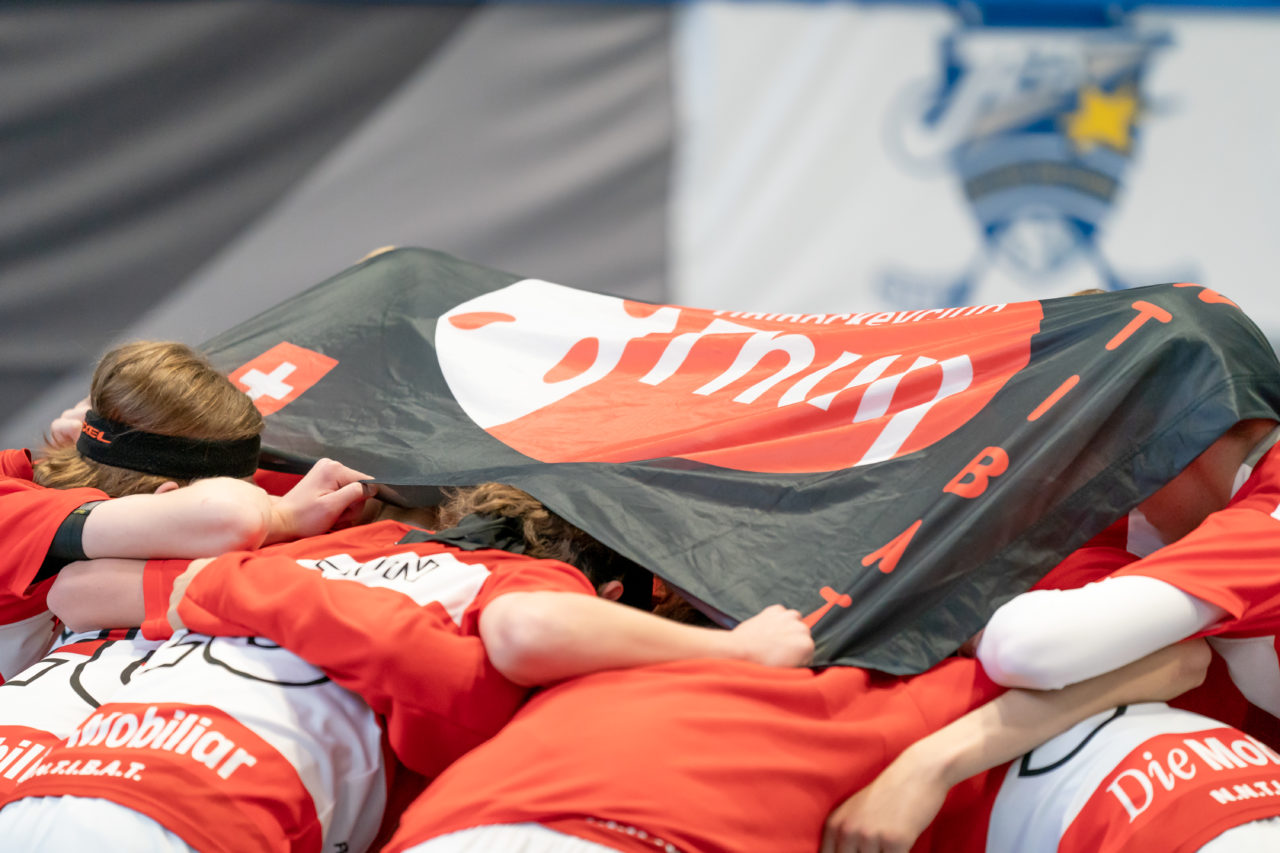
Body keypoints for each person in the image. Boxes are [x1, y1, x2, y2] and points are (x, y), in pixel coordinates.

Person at [0, 483, 813, 852]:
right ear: (610, 592)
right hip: (198, 798)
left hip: (50, 760)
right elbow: (528, 630)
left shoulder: (324, 545)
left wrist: (261, 583)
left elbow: (81, 589)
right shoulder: (519, 582)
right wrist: (736, 649)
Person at [0, 339, 369, 681]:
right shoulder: (13, 509)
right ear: (166, 499)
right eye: (250, 489)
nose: (259, 497)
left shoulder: (74, 479)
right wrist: (284, 518)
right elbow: (229, 517)